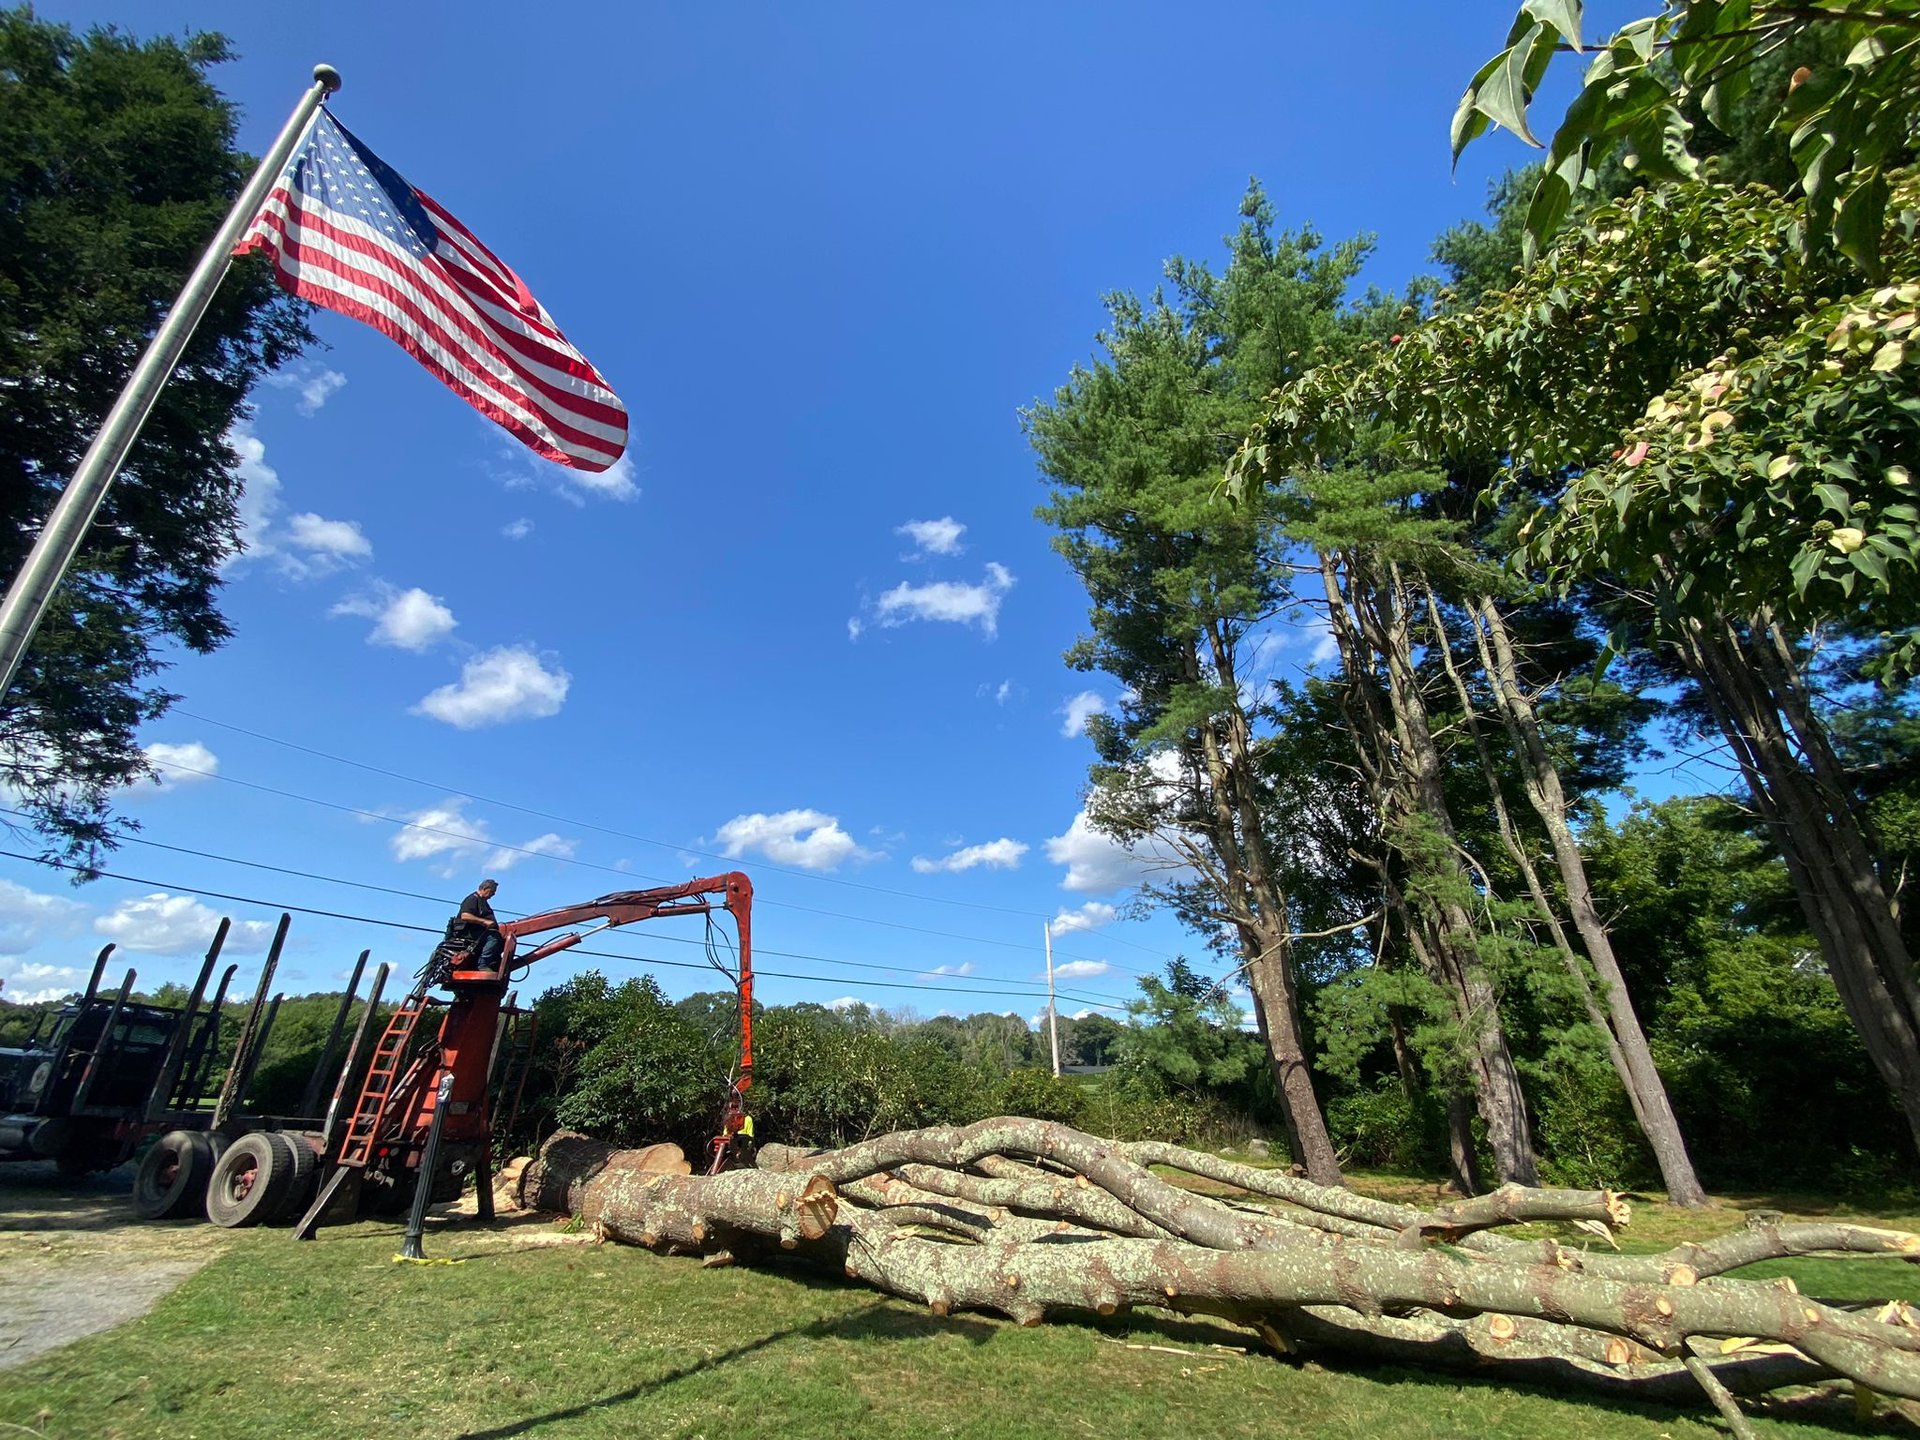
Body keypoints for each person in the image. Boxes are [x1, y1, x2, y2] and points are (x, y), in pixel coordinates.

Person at [456, 878, 503, 971]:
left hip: (479, 931)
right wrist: (484, 922)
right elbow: (465, 915)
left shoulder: (483, 902)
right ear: (485, 889)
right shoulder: (472, 899)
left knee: (500, 939)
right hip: (469, 932)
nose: (493, 894)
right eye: (492, 892)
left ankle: (493, 962)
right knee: (493, 937)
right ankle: (482, 963)